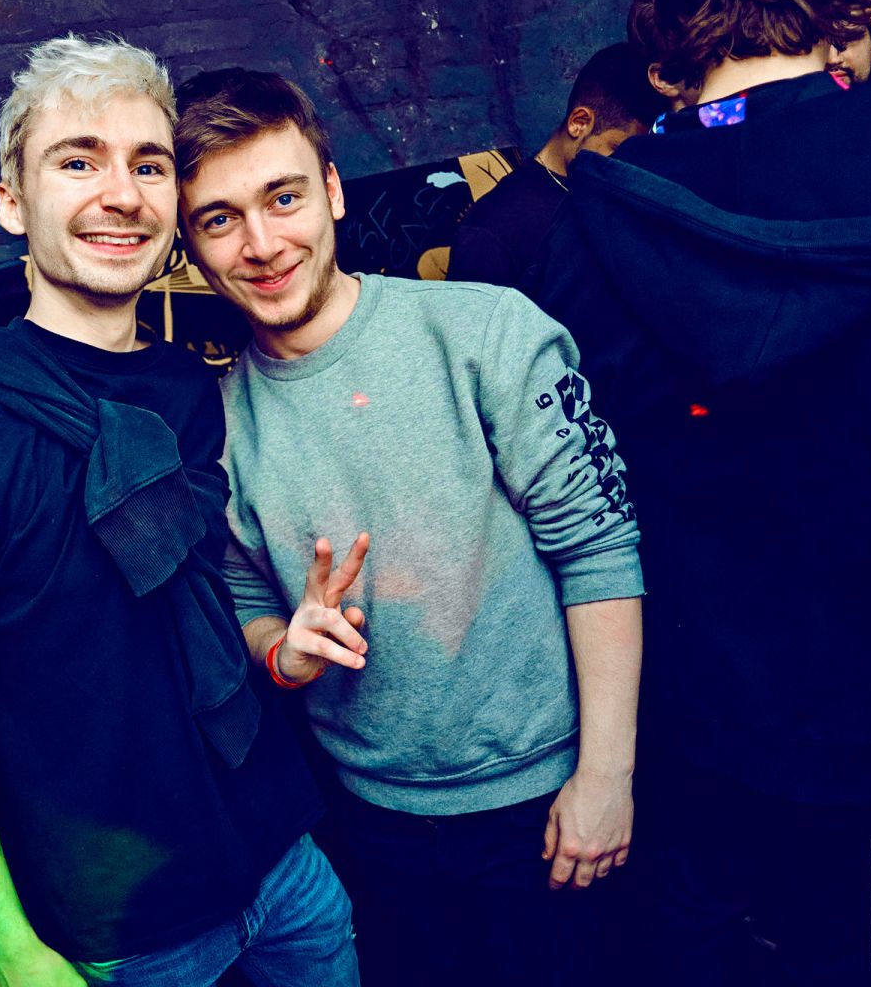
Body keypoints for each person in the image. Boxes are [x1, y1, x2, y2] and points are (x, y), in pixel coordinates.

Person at [0, 35, 358, 987]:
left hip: (281, 861)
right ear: (13, 202)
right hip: (125, 928)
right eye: (77, 161)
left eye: (148, 165)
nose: (121, 194)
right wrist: (12, 946)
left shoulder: (185, 386)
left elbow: (187, 616)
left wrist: (279, 650)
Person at [536, 0, 871, 981]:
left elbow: (581, 491)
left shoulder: (593, 217)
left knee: (695, 949)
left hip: (703, 719)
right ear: (835, 7)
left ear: (670, 36)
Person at [175, 68, 645, 986]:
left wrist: (606, 777)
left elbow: (599, 549)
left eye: (283, 198)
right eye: (221, 219)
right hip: (364, 822)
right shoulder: (216, 425)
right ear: (191, 246)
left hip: (546, 806)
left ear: (332, 189)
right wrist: (285, 652)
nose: (262, 245)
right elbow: (241, 595)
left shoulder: (484, 333)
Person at [447, 43, 664, 295]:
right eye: (616, 150)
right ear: (579, 123)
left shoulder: (613, 196)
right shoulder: (494, 230)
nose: (627, 167)